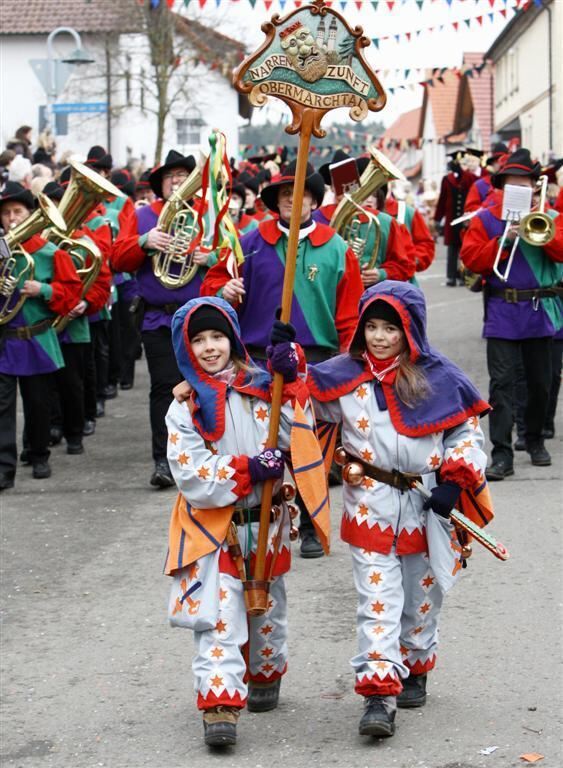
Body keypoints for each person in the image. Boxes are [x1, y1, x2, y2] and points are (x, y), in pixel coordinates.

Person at [306, 280, 489, 738]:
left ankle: (415, 661)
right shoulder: (340, 376)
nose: (380, 337)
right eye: (372, 326)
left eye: (391, 328)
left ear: (410, 330)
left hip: (428, 506)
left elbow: (465, 435)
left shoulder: (441, 378)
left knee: (423, 598)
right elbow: (297, 411)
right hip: (369, 502)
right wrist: (283, 368)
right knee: (377, 601)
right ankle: (378, 694)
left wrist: (455, 479)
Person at [164, 296, 323, 748]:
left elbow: (301, 435)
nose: (210, 347)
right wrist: (249, 468)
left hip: (267, 522)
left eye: (218, 336)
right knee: (217, 618)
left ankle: (263, 674)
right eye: (198, 340)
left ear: (233, 338)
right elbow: (189, 471)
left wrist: (290, 380)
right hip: (213, 527)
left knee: (268, 612)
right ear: (185, 347)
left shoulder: (264, 386)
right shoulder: (185, 405)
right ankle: (219, 704)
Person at [201, 159, 364, 557]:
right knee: (261, 442)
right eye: (283, 195)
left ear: (313, 200)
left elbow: (350, 313)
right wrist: (226, 291)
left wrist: (351, 362)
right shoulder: (250, 242)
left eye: (300, 194)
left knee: (312, 447)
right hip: (258, 358)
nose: (292, 200)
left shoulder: (337, 248)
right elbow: (213, 286)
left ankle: (310, 524)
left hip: (318, 359)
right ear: (275, 201)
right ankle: (259, 519)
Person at [460, 148, 563, 480]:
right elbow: (472, 260)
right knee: (501, 386)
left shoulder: (550, 217)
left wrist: (539, 231)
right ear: (502, 186)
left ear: (534, 186)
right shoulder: (485, 218)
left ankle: (534, 440)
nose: (518, 186)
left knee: (540, 385)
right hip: (503, 311)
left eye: (524, 181)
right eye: (511, 181)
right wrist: (505, 239)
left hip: (540, 312)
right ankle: (502, 453)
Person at [112, 149, 210, 488]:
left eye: (184, 176)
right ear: (161, 184)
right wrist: (144, 240)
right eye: (172, 177)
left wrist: (210, 256)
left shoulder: (206, 215)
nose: (178, 182)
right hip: (159, 319)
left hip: (200, 318)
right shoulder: (144, 215)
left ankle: (204, 453)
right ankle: (164, 459)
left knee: (205, 386)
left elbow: (233, 255)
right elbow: (117, 260)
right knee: (164, 389)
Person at [0, 182, 82, 488]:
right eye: (6, 213)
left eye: (17, 211)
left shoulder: (49, 252)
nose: (11, 218)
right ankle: (4, 467)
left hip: (36, 339)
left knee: (38, 404)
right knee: (2, 408)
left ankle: (39, 454)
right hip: (5, 339)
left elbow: (72, 296)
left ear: (30, 213)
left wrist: (43, 289)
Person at [434, 151, 478, 286]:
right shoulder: (447, 179)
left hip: (465, 218)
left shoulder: (471, 178)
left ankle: (462, 276)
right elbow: (442, 199)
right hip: (451, 219)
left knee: (464, 249)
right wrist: (437, 218)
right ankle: (451, 276)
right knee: (452, 249)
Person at [464, 142, 508, 214]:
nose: (501, 164)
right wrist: (490, 209)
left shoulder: (517, 183)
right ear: (492, 164)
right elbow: (470, 208)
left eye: (504, 161)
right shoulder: (479, 185)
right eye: (497, 161)